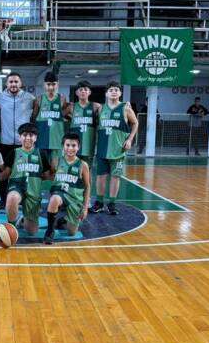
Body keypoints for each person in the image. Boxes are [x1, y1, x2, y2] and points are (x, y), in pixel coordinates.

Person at [90, 82, 138, 215]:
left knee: (115, 177)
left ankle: (112, 203)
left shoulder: (125, 108)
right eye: (111, 90)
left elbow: (135, 123)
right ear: (106, 93)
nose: (114, 92)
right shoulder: (101, 109)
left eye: (116, 90)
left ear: (120, 93)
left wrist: (130, 139)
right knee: (100, 177)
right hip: (102, 149)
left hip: (118, 150)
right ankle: (99, 203)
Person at [43, 132, 91, 244]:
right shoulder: (56, 161)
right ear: (63, 146)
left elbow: (87, 186)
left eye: (73, 145)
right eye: (67, 145)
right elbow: (50, 175)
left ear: (78, 147)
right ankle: (50, 231)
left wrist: (85, 208)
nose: (70, 148)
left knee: (71, 232)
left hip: (74, 199)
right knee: (54, 199)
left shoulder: (83, 165)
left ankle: (64, 219)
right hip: (59, 194)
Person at [5, 123, 52, 235]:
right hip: (17, 186)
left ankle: (22, 220)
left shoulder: (41, 154)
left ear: (35, 138)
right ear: (19, 137)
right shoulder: (14, 153)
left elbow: (46, 176)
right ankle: (11, 227)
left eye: (31, 135)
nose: (27, 138)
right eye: (24, 135)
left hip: (33, 192)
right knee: (12, 198)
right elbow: (5, 174)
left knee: (32, 232)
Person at [0, 72, 35, 205]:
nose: (13, 84)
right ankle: (3, 198)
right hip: (5, 142)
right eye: (11, 82)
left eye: (16, 81)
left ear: (21, 83)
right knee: (3, 172)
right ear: (6, 84)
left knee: (22, 172)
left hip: (22, 143)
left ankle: (23, 197)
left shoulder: (30, 98)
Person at [32, 71, 69, 161]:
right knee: (43, 166)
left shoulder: (62, 99)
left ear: (58, 84)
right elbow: (33, 119)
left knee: (56, 166)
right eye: (48, 84)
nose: (51, 87)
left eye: (53, 84)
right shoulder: (38, 99)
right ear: (44, 85)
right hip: (41, 140)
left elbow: (65, 116)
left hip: (57, 141)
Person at [69, 80, 101, 168]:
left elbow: (109, 109)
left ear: (89, 92)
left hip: (89, 146)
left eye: (86, 89)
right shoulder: (71, 107)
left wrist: (125, 104)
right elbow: (60, 114)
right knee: (73, 171)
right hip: (73, 146)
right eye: (80, 89)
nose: (83, 91)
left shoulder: (96, 106)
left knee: (87, 170)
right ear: (76, 92)